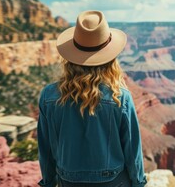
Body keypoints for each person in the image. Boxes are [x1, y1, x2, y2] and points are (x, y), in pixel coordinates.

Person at [37, 10, 147, 187]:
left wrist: (49, 183)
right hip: (114, 182)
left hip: (68, 182)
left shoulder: (48, 96)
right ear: (110, 58)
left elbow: (46, 150)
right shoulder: (120, 97)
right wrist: (139, 183)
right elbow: (133, 151)